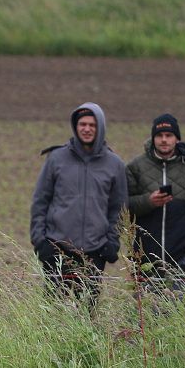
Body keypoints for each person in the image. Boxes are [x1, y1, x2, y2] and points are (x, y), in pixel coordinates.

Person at [30, 102, 128, 305]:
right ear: (75, 126)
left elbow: (118, 209)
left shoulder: (114, 164)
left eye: (92, 125)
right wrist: (40, 242)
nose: (86, 129)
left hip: (94, 253)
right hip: (56, 250)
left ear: (100, 127)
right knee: (54, 317)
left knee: (86, 316)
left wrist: (111, 243)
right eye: (82, 124)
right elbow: (40, 202)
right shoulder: (56, 159)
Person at [124, 113, 185, 287]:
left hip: (182, 255)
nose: (164, 140)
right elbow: (123, 205)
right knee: (148, 313)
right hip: (145, 257)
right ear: (153, 138)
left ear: (176, 139)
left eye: (169, 135)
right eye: (159, 135)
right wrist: (148, 202)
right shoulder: (135, 167)